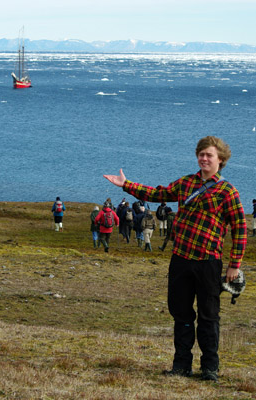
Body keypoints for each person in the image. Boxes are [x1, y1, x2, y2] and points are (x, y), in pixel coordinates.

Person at [104, 135, 247, 382]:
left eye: (209, 155)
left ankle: (210, 368)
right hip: (180, 259)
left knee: (208, 315)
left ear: (220, 160)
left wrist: (235, 265)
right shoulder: (186, 183)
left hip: (209, 262)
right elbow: (159, 194)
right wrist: (126, 185)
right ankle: (181, 365)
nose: (203, 158)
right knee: (180, 314)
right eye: (201, 154)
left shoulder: (228, 191)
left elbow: (240, 228)